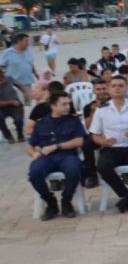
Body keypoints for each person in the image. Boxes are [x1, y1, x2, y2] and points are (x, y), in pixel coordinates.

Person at [89, 76, 128, 213]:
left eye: (120, 85)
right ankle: (127, 196)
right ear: (109, 89)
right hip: (111, 149)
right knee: (102, 165)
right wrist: (102, 141)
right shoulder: (102, 110)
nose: (117, 88)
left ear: (126, 88)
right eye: (114, 86)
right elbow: (94, 134)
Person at [27, 92, 85, 220]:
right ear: (53, 106)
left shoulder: (73, 120)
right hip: (46, 158)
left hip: (67, 155)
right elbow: (30, 146)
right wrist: (34, 153)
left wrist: (56, 146)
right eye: (63, 104)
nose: (67, 107)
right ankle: (50, 202)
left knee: (73, 170)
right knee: (34, 173)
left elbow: (79, 141)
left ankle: (66, 201)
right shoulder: (41, 123)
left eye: (68, 104)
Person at [81, 78, 110, 188]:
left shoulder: (113, 103)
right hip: (97, 134)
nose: (101, 91)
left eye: (103, 89)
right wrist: (94, 111)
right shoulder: (88, 107)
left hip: (113, 132)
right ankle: (92, 175)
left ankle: (125, 172)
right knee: (86, 144)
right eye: (98, 89)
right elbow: (90, 128)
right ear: (94, 91)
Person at [0, 33, 37, 103]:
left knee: (28, 103)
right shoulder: (7, 53)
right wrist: (3, 80)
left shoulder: (29, 51)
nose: (28, 43)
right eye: (26, 41)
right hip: (13, 85)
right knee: (17, 103)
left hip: (27, 82)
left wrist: (36, 74)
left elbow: (31, 64)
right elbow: (1, 67)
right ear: (19, 41)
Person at [0, 68, 25, 142]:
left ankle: (20, 135)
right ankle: (8, 136)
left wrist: (24, 91)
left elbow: (18, 84)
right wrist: (10, 102)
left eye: (2, 74)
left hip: (15, 105)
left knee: (18, 119)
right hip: (2, 107)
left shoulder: (9, 78)